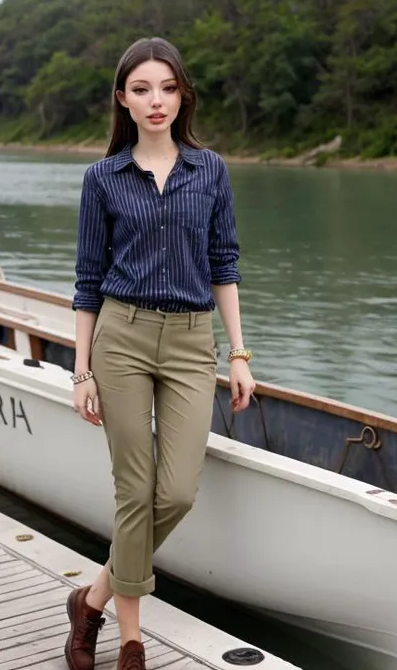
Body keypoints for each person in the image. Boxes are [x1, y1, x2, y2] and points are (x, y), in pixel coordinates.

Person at [65, 37, 255, 670]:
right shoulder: (102, 178)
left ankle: (91, 596)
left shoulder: (211, 171)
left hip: (190, 341)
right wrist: (82, 370)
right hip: (120, 335)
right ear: (123, 98)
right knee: (134, 488)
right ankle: (130, 641)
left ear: (183, 96)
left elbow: (224, 263)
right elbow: (87, 281)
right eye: (141, 89)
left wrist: (238, 353)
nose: (156, 101)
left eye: (167, 88)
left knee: (174, 493)